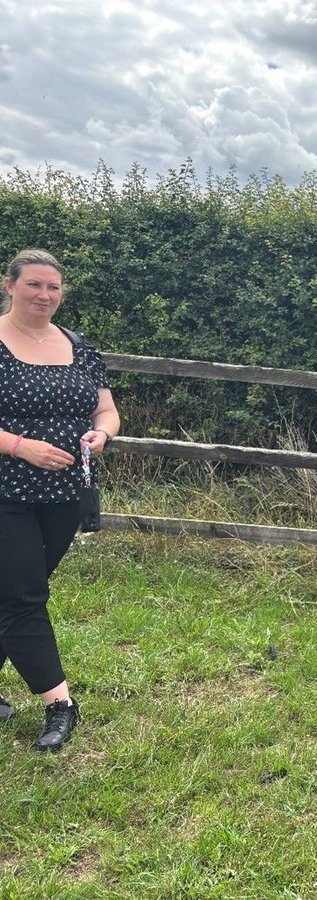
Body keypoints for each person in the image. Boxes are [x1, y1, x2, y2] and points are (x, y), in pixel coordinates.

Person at [0, 249, 120, 752]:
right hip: (6, 489)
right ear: (9, 285)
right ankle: (61, 704)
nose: (44, 295)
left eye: (53, 287)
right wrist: (19, 445)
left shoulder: (79, 346)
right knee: (23, 596)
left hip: (65, 492)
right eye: (33, 284)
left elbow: (107, 410)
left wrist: (102, 434)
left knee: (16, 591)